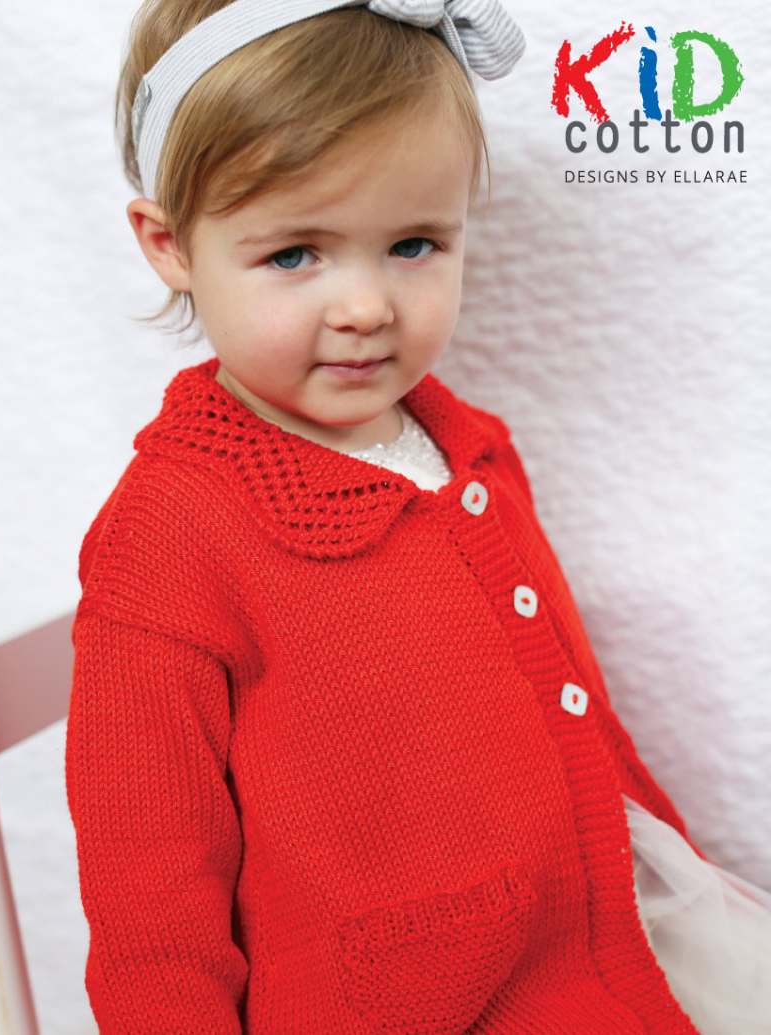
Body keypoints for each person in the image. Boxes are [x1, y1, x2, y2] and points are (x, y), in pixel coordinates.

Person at [64, 2, 771, 1033]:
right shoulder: (170, 537)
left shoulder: (471, 451)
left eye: (412, 244)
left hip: (588, 961)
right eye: (294, 255)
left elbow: (569, 722)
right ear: (170, 244)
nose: (365, 307)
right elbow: (151, 914)